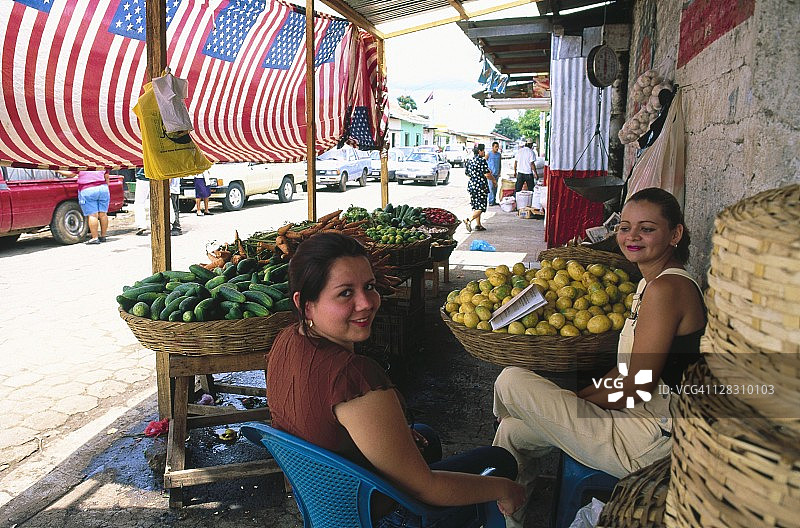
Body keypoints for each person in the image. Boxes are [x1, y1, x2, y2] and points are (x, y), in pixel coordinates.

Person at [267, 232, 524, 527]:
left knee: (428, 436)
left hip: (326, 500)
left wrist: (391, 432)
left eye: (369, 287)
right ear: (305, 304)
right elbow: (425, 487)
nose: (366, 303)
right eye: (345, 293)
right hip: (375, 515)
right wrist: (506, 488)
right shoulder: (354, 376)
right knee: (501, 462)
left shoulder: (286, 340)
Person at [491, 187, 705, 528]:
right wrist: (570, 403)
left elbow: (635, 386)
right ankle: (507, 524)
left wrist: (564, 404)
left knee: (510, 379)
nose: (632, 236)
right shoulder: (648, 284)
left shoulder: (667, 290)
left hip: (650, 442)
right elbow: (625, 373)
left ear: (675, 233)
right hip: (636, 421)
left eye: (647, 228)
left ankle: (514, 412)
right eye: (625, 226)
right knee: (513, 435)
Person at [76, 170, 110, 244]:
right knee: (103, 214)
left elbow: (70, 174)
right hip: (103, 188)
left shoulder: (81, 163)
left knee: (93, 215)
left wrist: (57, 170)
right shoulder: (101, 162)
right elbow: (107, 177)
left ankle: (95, 238)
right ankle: (103, 236)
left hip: (88, 188)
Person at [463, 144, 491, 232]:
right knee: (481, 207)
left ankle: (478, 225)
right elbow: (487, 174)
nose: (484, 152)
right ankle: (469, 220)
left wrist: (475, 176)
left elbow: (467, 173)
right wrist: (494, 181)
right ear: (479, 151)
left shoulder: (469, 161)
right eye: (483, 150)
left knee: (476, 206)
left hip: (472, 186)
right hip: (481, 186)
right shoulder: (482, 161)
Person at [133, 168, 150, 236]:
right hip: (155, 176)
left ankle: (141, 225)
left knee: (139, 203)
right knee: (156, 201)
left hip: (142, 178)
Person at [486, 142, 502, 206]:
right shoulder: (489, 154)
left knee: (495, 187)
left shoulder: (499, 155)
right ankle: (490, 201)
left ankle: (494, 200)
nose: (497, 148)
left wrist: (500, 172)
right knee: (491, 187)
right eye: (496, 147)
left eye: (498, 147)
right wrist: (488, 169)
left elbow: (500, 163)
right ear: (492, 147)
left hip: (496, 173)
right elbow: (484, 162)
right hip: (490, 174)